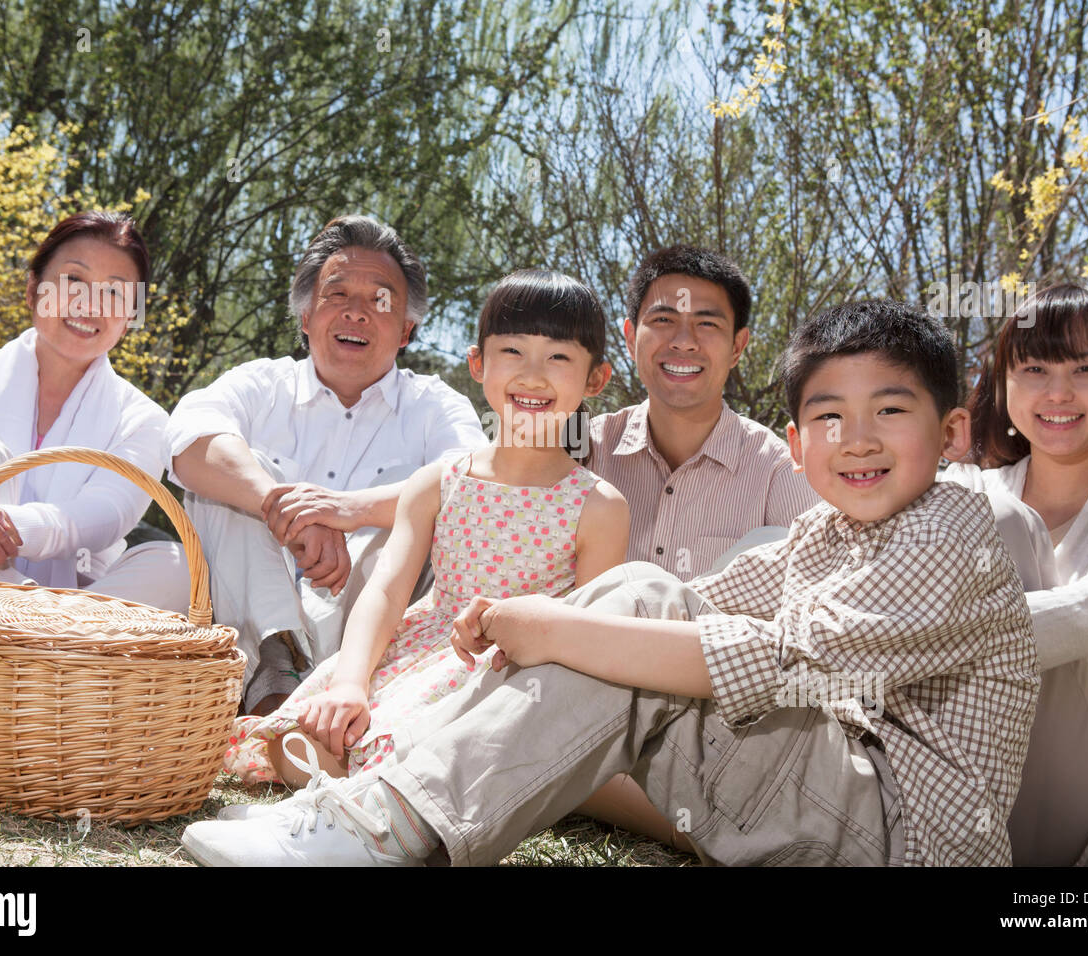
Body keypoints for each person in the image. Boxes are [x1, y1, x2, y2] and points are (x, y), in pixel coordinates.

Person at [180, 298, 1039, 867]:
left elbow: (785, 662)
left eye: (890, 411)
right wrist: (528, 615)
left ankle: (381, 828)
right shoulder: (826, 532)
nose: (858, 440)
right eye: (829, 418)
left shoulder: (952, 526)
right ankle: (380, 813)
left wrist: (550, 629)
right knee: (641, 593)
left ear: (954, 430)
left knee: (627, 611)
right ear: (798, 440)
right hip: (815, 789)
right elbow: (695, 603)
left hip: (897, 832)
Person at [218, 269, 627, 786]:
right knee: (301, 744)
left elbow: (588, 638)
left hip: (515, 674)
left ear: (595, 379)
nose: (532, 375)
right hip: (418, 655)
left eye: (559, 357)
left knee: (422, 752)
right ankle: (405, 777)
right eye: (513, 352)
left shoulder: (598, 505)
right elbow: (387, 592)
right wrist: (350, 681)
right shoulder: (438, 482)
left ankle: (434, 781)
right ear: (477, 364)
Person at [166, 215, 486, 715]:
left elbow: (470, 484)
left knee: (419, 501)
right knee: (231, 483)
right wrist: (283, 506)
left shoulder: (436, 405)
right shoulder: (261, 384)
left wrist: (348, 510)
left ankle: (354, 688)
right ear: (305, 318)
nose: (356, 313)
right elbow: (188, 441)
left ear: (407, 330)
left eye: (380, 300)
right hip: (256, 616)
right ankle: (277, 678)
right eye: (336, 295)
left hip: (374, 633)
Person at [941, 282, 1088, 866]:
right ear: (1003, 382)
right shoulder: (965, 485)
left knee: (997, 524)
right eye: (1034, 368)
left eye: (1085, 368)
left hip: (1084, 802)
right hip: (951, 771)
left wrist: (910, 640)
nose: (1058, 392)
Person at [0, 211, 188, 611]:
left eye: (115, 292)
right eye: (74, 280)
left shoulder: (143, 420)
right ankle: (31, 628)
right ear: (33, 290)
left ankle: (29, 623)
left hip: (62, 612)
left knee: (175, 566)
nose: (90, 304)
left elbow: (102, 517)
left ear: (131, 316)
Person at [587, 245, 818, 580]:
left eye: (707, 323)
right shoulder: (582, 449)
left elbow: (811, 593)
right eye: (663, 319)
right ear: (630, 337)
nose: (684, 341)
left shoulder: (776, 472)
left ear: (737, 347)